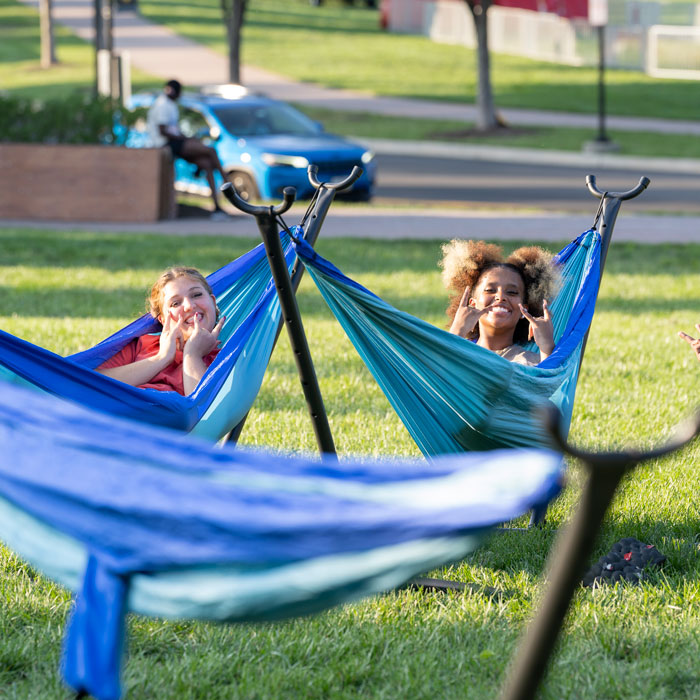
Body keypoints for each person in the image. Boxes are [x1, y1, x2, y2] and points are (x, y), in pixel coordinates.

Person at [97, 267, 225, 395]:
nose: (189, 306)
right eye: (175, 303)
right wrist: (162, 358)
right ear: (163, 319)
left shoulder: (227, 359)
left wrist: (192, 355)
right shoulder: (142, 344)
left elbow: (204, 411)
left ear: (213, 303)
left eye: (197, 295)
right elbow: (91, 384)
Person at [440, 239, 560, 366]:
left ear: (523, 311)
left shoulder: (530, 362)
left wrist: (546, 347)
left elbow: (546, 383)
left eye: (512, 292)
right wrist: (456, 332)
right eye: (490, 290)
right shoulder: (457, 353)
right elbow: (435, 374)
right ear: (472, 305)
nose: (500, 297)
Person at [147, 79, 229, 219]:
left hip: (175, 141)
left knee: (207, 164)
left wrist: (186, 138)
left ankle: (217, 207)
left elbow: (174, 129)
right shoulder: (162, 105)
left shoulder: (170, 104)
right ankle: (227, 181)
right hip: (166, 144)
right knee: (210, 151)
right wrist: (184, 139)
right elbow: (163, 131)